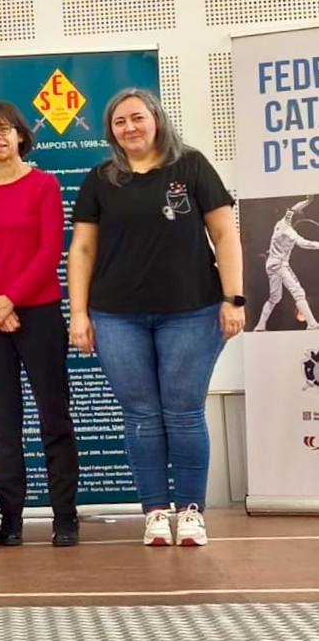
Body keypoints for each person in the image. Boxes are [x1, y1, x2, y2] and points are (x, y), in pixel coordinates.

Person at [68, 88, 243, 548]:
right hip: (116, 317)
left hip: (193, 311)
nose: (130, 127)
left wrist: (234, 298)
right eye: (119, 121)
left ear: (157, 120)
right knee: (141, 416)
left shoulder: (192, 166)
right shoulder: (100, 180)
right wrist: (79, 313)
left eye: (137, 118)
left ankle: (190, 512)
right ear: (111, 132)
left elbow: (225, 234)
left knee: (184, 412)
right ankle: (155, 513)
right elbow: (82, 249)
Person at [0, 102, 79, 548]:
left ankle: (64, 516)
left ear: (21, 136)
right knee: (3, 421)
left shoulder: (44, 185)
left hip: (39, 312)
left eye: (4, 129)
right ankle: (11, 517)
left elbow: (50, 251)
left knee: (54, 416)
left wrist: (11, 298)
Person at [254, 198, 319, 330]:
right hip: (280, 265)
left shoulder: (281, 222)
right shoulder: (290, 233)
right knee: (299, 293)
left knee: (274, 298)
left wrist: (307, 201)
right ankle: (312, 324)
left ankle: (260, 326)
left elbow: (293, 209)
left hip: (271, 264)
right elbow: (304, 243)